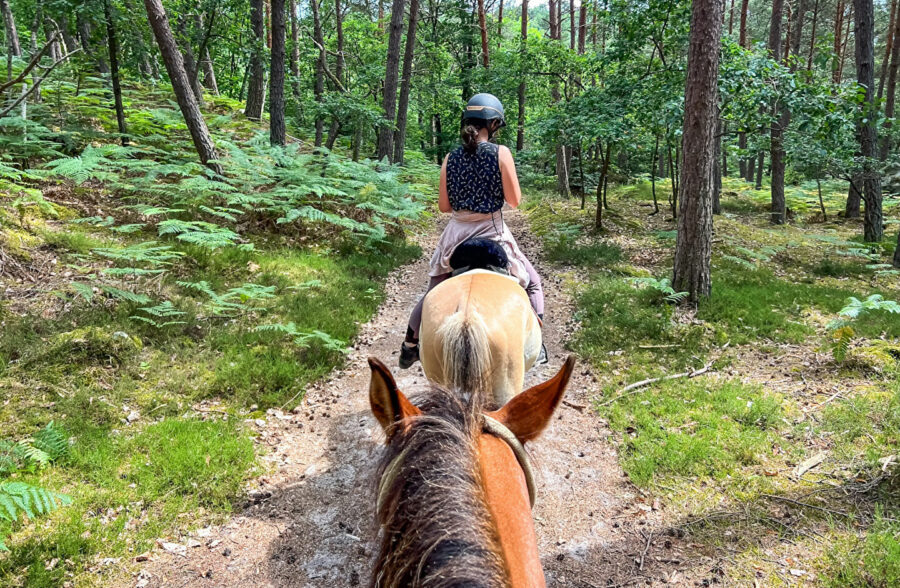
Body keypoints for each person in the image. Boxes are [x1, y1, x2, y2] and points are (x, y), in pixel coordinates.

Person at [399, 93, 546, 369]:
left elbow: (444, 206)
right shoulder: (501, 153)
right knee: (533, 282)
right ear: (492, 124)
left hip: (456, 235)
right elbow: (514, 201)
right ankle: (537, 345)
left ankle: (410, 344)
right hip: (492, 232)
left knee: (433, 293)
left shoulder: (450, 158)